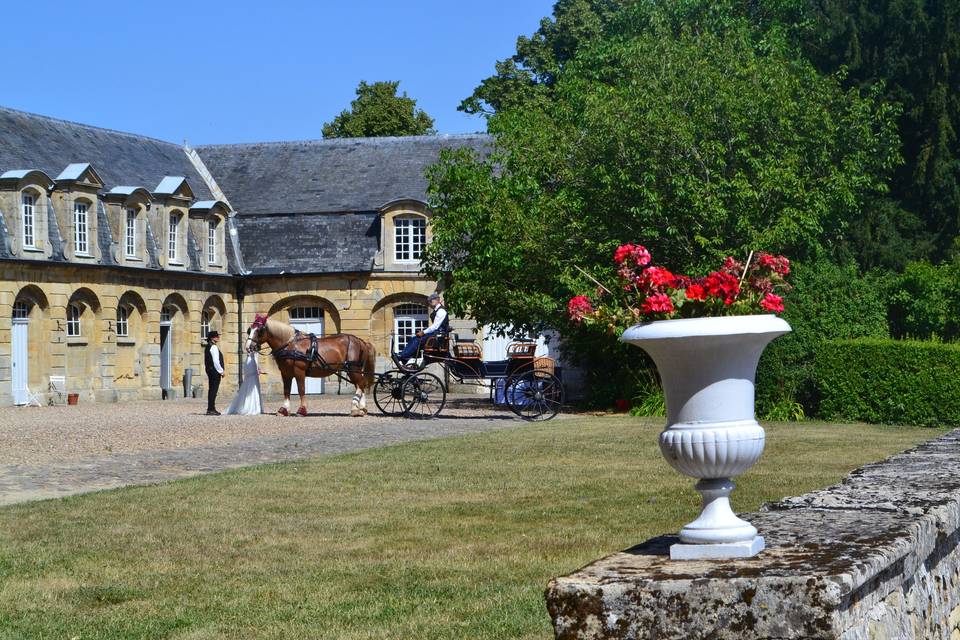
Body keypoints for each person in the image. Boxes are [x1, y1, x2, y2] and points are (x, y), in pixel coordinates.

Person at [396, 292, 448, 366]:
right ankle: (404, 357)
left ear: (437, 300)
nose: (430, 302)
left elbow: (435, 326)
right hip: (436, 333)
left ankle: (403, 356)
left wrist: (423, 332)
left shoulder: (441, 311)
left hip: (439, 335)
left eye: (431, 300)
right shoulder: (437, 310)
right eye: (429, 301)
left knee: (418, 340)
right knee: (414, 338)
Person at [204, 330, 225, 415]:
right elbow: (216, 361)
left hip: (210, 370)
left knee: (211, 389)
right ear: (212, 338)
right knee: (213, 390)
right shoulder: (214, 347)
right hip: (214, 371)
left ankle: (210, 408)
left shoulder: (208, 346)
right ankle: (211, 409)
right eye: (216, 336)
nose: (218, 337)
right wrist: (221, 371)